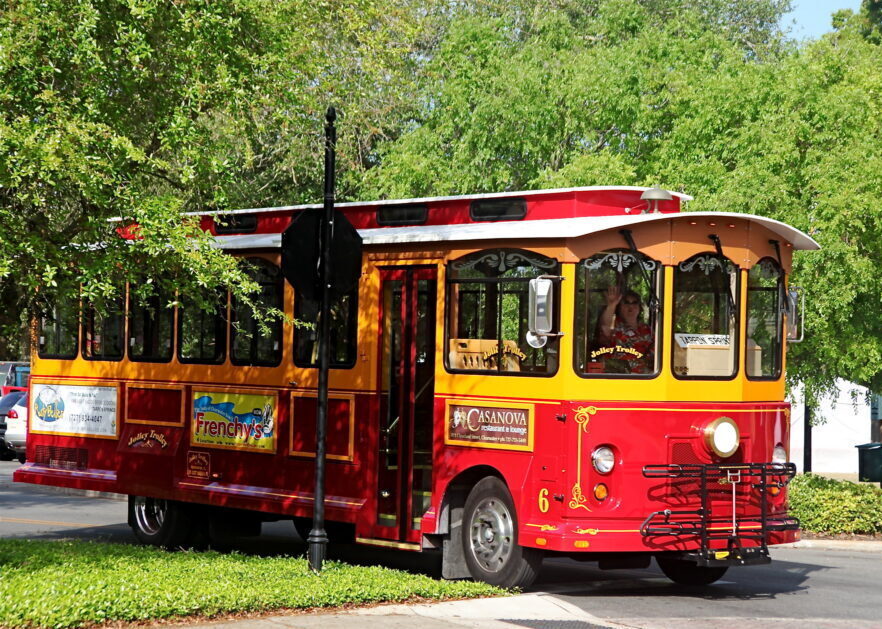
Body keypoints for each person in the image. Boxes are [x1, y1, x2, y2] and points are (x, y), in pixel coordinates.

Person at [594, 286, 653, 374]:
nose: (631, 306)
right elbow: (605, 326)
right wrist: (612, 305)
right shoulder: (614, 325)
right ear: (620, 307)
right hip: (618, 377)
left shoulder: (647, 329)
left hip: (644, 378)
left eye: (634, 303)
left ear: (639, 307)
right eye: (626, 303)